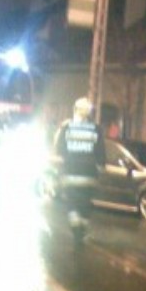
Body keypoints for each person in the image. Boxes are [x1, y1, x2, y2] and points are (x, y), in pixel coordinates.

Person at [53, 97, 105, 243]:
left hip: (70, 173)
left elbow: (59, 149)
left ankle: (76, 230)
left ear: (75, 110)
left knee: (72, 203)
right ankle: (82, 229)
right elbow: (100, 153)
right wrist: (101, 167)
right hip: (89, 175)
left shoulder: (66, 127)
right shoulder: (96, 129)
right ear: (89, 113)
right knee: (86, 203)